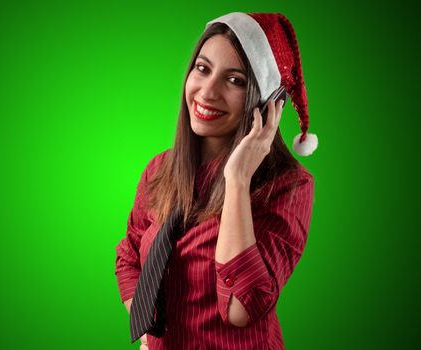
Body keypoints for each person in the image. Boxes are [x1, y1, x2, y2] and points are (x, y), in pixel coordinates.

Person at [115, 12, 317, 349]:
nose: (207, 91)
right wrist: (149, 329)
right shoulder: (160, 169)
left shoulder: (288, 186)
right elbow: (130, 254)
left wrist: (237, 181)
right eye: (202, 69)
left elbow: (242, 307)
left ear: (266, 103)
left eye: (235, 80)